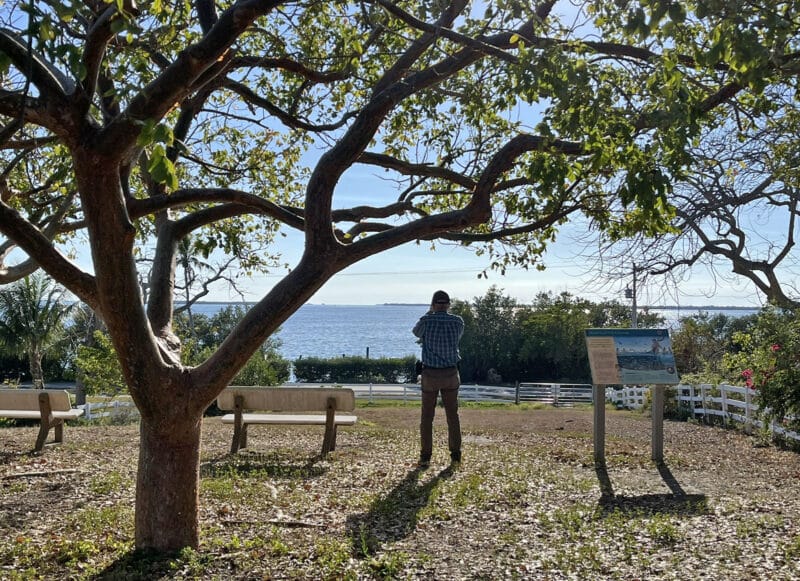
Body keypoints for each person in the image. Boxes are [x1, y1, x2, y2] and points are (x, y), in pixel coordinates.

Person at [412, 290, 464, 467]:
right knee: (452, 415)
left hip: (430, 374)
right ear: (448, 304)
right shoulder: (458, 321)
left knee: (427, 417)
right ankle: (455, 454)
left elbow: (416, 333)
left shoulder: (426, 320)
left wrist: (429, 313)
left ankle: (426, 455)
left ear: (433, 304)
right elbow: (458, 337)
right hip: (450, 373)